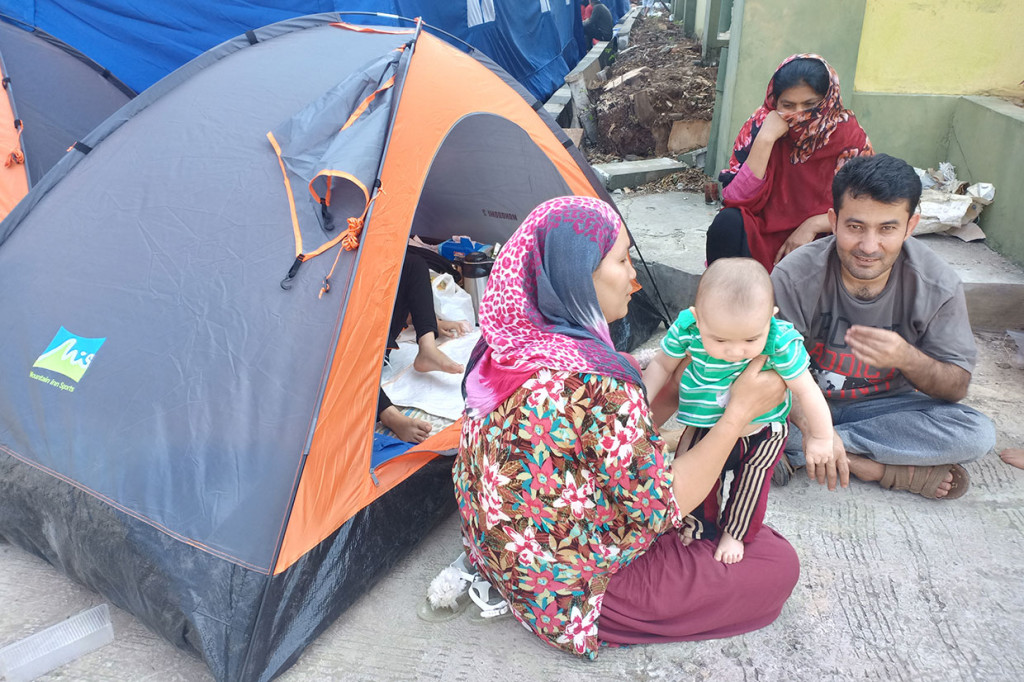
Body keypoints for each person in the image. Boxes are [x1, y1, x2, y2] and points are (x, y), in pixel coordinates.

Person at [453, 196, 798, 659]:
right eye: (621, 260)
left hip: (507, 556)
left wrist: (677, 384)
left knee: (732, 530)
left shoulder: (508, 346)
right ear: (578, 275)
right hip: (578, 590)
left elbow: (599, 445)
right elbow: (664, 503)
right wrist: (738, 414)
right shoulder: (594, 381)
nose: (634, 278)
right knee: (776, 561)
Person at [771, 154, 997, 499]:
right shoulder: (795, 275)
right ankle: (875, 468)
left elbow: (954, 388)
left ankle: (801, 451)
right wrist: (814, 424)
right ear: (833, 221)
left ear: (911, 226)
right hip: (801, 404)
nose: (868, 246)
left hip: (884, 411)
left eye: (887, 229)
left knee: (976, 433)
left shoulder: (937, 285)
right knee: (737, 395)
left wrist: (908, 358)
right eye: (855, 227)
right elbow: (771, 373)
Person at [643, 258, 835, 564]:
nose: (735, 351)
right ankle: (698, 526)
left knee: (752, 483)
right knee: (693, 473)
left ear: (770, 319)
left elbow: (806, 389)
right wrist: (640, 408)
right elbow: (660, 366)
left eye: (750, 339)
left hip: (763, 428)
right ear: (697, 319)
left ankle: (736, 532)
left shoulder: (779, 340)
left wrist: (822, 437)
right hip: (703, 422)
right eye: (719, 340)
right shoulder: (688, 329)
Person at [707, 54, 873, 272]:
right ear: (775, 102)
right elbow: (736, 199)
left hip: (822, 235)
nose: (798, 115)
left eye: (810, 105)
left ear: (827, 101)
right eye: (788, 105)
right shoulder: (761, 124)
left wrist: (813, 224)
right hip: (765, 232)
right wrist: (766, 139)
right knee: (727, 223)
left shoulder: (847, 136)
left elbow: (866, 206)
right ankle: (727, 302)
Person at [377, 250, 468, 443]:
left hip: (377, 329)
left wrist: (430, 322)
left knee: (412, 263)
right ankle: (389, 415)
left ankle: (427, 349)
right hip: (348, 343)